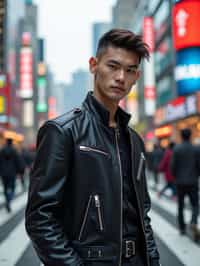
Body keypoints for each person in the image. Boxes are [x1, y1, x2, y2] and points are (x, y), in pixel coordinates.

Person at [25, 29, 160, 266]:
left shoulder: (135, 140)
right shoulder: (62, 132)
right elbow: (40, 219)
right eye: (113, 66)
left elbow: (142, 214)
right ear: (93, 65)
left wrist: (153, 260)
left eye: (129, 70)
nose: (121, 77)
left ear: (137, 77)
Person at [171, 128, 199, 241]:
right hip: (192, 181)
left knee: (180, 206)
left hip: (180, 182)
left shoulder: (177, 149)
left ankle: (182, 228)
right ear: (190, 136)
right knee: (195, 205)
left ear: (181, 136)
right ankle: (193, 221)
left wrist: (175, 176)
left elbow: (172, 167)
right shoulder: (195, 149)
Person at [0, 138, 24, 212]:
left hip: (3, 173)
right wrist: (21, 171)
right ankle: (9, 199)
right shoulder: (14, 151)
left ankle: (7, 199)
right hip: (12, 173)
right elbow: (18, 161)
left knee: (5, 187)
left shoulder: (1, 151)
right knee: (12, 187)